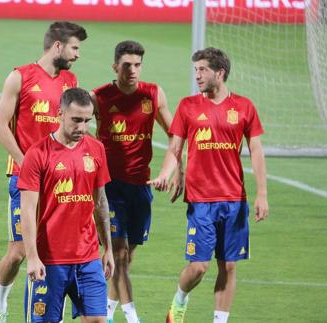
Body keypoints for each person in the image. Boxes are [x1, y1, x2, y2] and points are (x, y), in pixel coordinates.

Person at [148, 47, 269, 323]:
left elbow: (257, 151)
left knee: (228, 265)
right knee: (200, 267)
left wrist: (262, 193)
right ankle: (179, 301)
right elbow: (175, 148)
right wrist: (166, 173)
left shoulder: (244, 107)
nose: (198, 76)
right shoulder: (189, 106)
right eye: (196, 70)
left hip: (234, 200)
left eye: (202, 70)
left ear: (220, 72)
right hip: (201, 200)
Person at [0, 21, 88, 322]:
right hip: (24, 177)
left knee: (54, 251)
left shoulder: (70, 80)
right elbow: (0, 126)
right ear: (57, 46)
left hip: (61, 179)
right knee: (19, 252)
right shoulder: (19, 76)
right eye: (74, 47)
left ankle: (47, 313)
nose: (78, 54)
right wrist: (28, 164)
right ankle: (0, 303)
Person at [90, 40, 183, 323]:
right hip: (110, 186)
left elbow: (175, 135)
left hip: (141, 186)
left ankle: (106, 313)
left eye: (138, 65)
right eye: (127, 65)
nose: (133, 70)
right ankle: (133, 318)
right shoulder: (100, 97)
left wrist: (172, 170)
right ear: (115, 66)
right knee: (117, 255)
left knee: (127, 258)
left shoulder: (153, 94)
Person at [19, 88, 114, 323]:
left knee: (98, 320)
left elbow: (100, 201)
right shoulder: (38, 154)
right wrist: (32, 256)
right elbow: (28, 210)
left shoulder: (96, 149)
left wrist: (108, 249)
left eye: (86, 121)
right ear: (60, 113)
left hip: (88, 256)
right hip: (50, 259)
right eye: (76, 120)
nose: (82, 128)